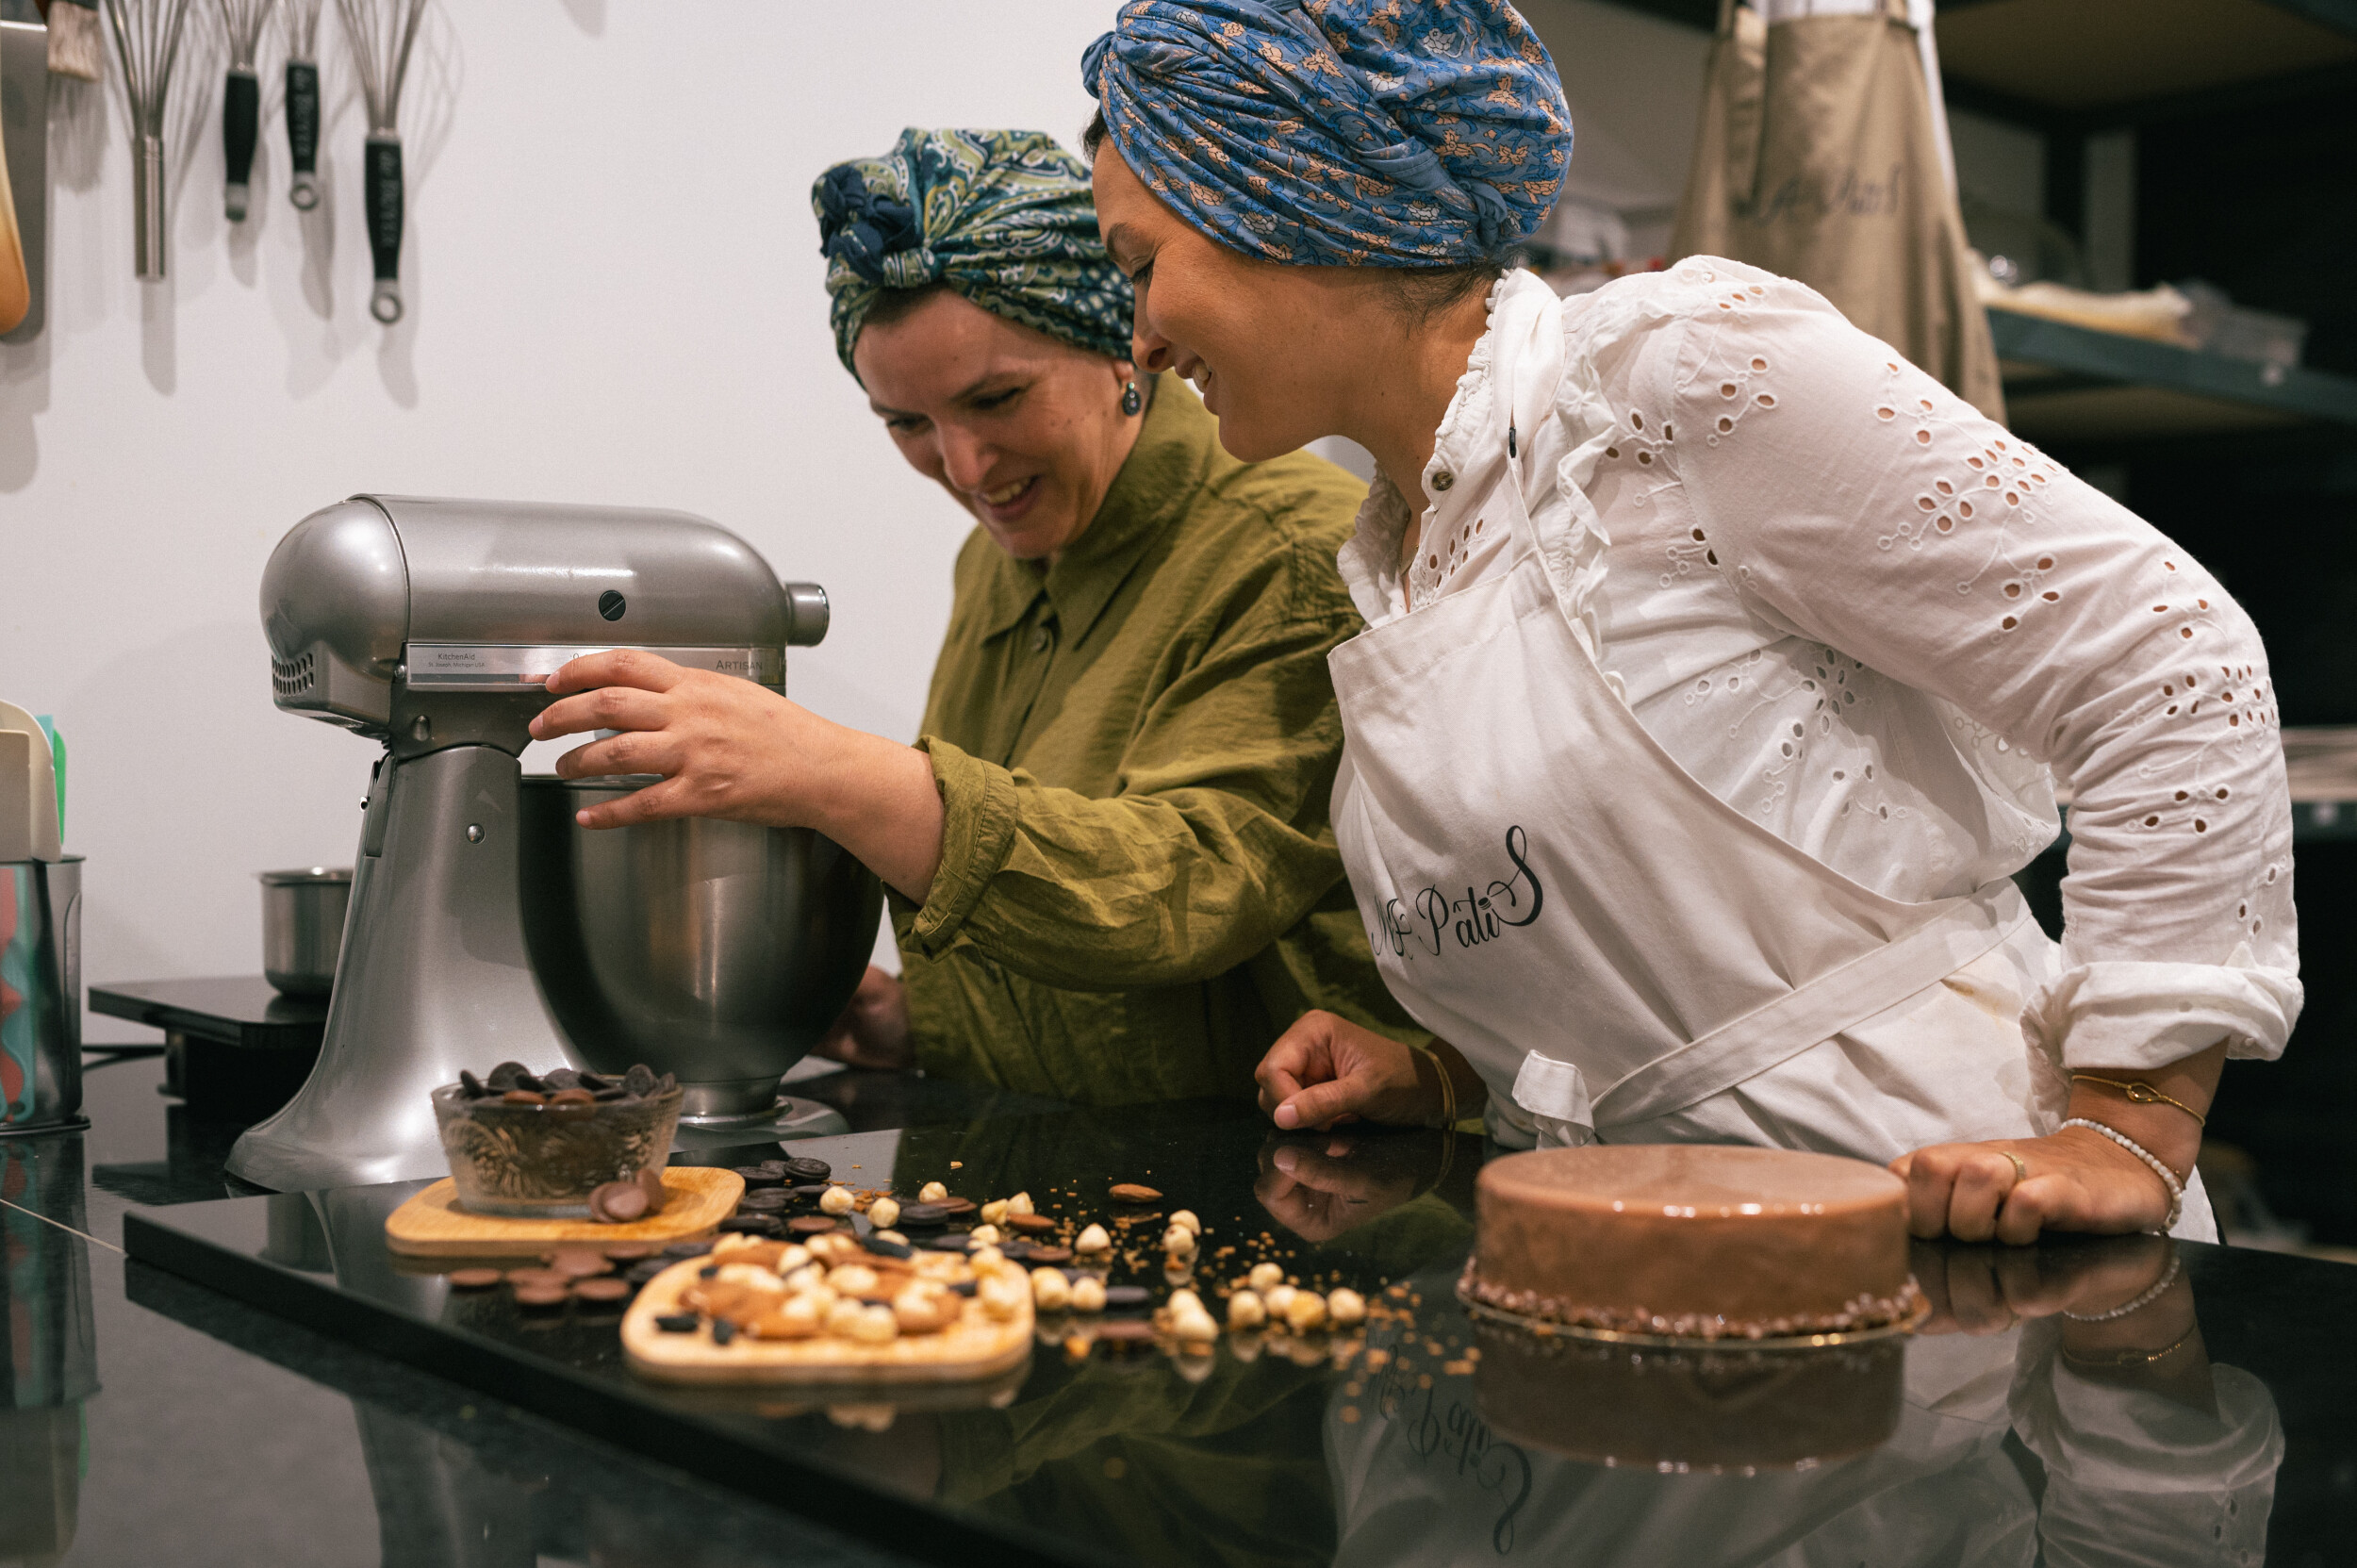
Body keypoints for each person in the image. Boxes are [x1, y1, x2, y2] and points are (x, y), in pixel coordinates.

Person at [1079, 1, 2299, 1241]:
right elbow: (1665, 945)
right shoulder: (1404, 550)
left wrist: (2128, 1117)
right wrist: (1456, 1068)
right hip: (1654, 1279)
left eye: (1141, 266)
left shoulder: (1668, 382)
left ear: (1291, 205)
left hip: (1956, 1243)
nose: (1140, 338)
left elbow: (2166, 656)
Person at [529, 126, 1426, 1105]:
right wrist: (926, 1020)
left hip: (1291, 1177)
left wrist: (829, 770)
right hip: (1054, 1162)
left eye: (996, 399)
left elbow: (1180, 892)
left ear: (1120, 343)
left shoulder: (1290, 550)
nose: (964, 469)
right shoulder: (998, 562)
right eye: (907, 424)